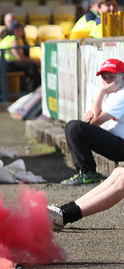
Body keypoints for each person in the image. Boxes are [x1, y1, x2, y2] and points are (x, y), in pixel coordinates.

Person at [56, 58, 124, 186]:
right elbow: (93, 119)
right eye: (104, 77)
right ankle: (88, 173)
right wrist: (91, 117)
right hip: (118, 143)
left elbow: (94, 122)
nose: (107, 81)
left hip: (121, 146)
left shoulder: (121, 95)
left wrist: (101, 92)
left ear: (123, 77)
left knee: (74, 128)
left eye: (111, 76)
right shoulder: (116, 93)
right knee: (75, 127)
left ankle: (88, 173)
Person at [0, 21, 39, 92]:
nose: (23, 31)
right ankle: (32, 91)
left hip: (4, 64)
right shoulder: (14, 40)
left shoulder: (6, 38)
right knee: (32, 66)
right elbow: (20, 58)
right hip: (8, 65)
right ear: (15, 30)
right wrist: (34, 60)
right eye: (21, 29)